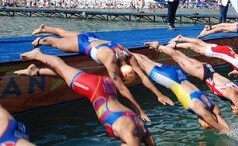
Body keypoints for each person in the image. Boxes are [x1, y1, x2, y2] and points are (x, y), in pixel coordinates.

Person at [15, 48, 156, 145]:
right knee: (61, 66)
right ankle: (38, 54)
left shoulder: (142, 132)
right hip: (96, 89)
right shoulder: (133, 135)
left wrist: (139, 110)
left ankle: (37, 71)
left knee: (70, 77)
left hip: (108, 89)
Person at [30, 24, 171, 121]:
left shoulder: (127, 54)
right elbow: (122, 89)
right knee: (56, 43)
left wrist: (159, 94)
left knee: (63, 33)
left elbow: (143, 76)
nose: (121, 78)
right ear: (121, 72)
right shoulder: (111, 62)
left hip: (91, 37)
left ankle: (45, 28)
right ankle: (40, 42)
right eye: (124, 77)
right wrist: (138, 110)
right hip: (82, 43)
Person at [144, 41, 238, 120]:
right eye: (234, 109)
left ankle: (174, 45)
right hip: (203, 73)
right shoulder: (234, 96)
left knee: (182, 58)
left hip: (208, 69)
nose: (233, 109)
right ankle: (158, 46)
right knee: (178, 58)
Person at [167, 35, 238, 110]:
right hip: (223, 54)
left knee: (202, 44)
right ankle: (176, 45)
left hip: (228, 51)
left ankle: (181, 38)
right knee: (197, 49)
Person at [129, 52, 231, 134]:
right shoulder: (198, 108)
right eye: (204, 126)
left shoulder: (212, 105)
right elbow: (223, 129)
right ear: (206, 122)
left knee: (146, 60)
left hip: (179, 74)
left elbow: (224, 125)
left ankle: (125, 51)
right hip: (169, 78)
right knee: (142, 62)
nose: (202, 126)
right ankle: (123, 52)